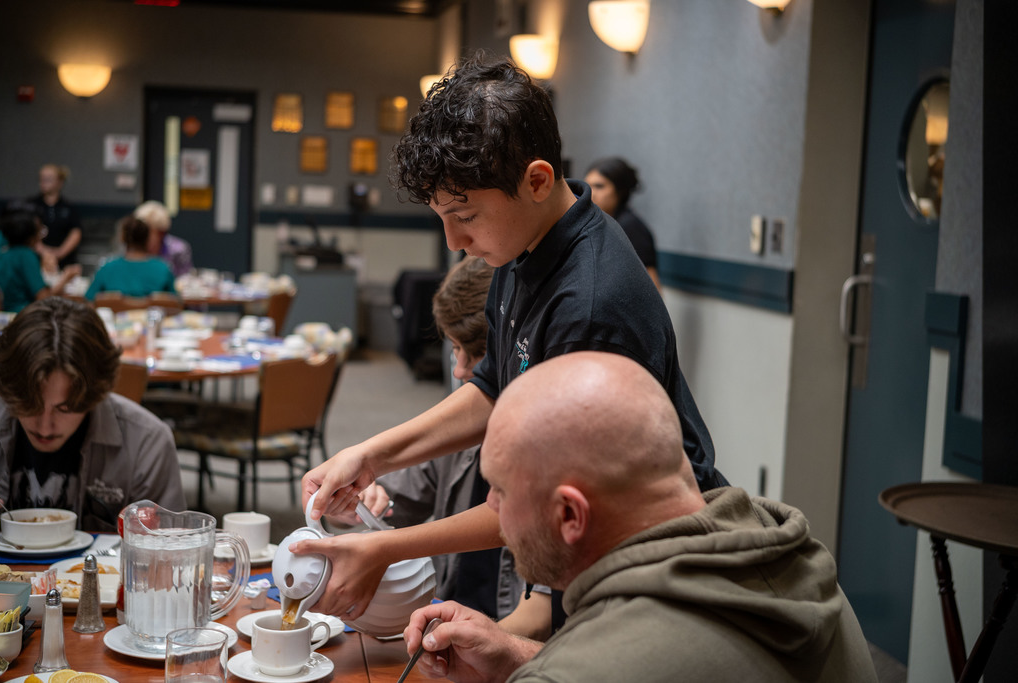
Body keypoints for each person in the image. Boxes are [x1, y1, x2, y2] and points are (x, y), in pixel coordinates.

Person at [293, 54, 726, 622]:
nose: (452, 241)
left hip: (647, 563)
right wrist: (371, 455)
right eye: (440, 217)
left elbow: (542, 504)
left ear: (538, 180)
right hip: (585, 540)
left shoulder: (590, 306)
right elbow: (495, 387)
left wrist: (384, 547)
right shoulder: (523, 245)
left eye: (465, 215)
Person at [403, 352, 878, 683]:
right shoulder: (792, 563)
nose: (491, 509)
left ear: (570, 514)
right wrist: (516, 657)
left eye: (500, 491)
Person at [371, 256, 551, 638]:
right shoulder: (460, 431)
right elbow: (404, 494)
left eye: (481, 356)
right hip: (450, 615)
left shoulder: (549, 449)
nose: (461, 370)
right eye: (455, 349)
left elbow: (540, 617)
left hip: (505, 637)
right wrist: (371, 495)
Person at [0, 297, 186, 531]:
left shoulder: (146, 442)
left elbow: (170, 554)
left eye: (64, 409)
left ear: (96, 396)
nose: (44, 427)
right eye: (28, 406)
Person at [584, 157, 661, 291]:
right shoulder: (601, 223)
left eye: (599, 186)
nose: (591, 193)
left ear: (620, 190)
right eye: (588, 186)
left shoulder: (631, 227)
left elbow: (652, 287)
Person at [0, 206, 80, 313]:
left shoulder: (3, 252)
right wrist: (65, 278)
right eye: (39, 230)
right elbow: (44, 298)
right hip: (24, 314)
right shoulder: (25, 255)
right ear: (30, 234)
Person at [85, 215, 176, 300]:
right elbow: (175, 303)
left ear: (122, 238)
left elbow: (89, 300)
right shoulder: (163, 269)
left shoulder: (107, 268)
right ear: (147, 238)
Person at [30, 164, 82, 269]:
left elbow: (76, 232)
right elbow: (25, 231)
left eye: (48, 179)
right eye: (41, 179)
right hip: (37, 260)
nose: (43, 183)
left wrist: (60, 253)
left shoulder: (68, 207)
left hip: (64, 262)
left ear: (60, 182)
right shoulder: (31, 205)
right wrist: (43, 251)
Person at [134, 200, 193, 277]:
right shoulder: (132, 248)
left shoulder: (178, 250)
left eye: (146, 232)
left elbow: (185, 281)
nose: (141, 237)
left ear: (161, 233)